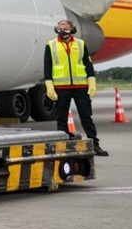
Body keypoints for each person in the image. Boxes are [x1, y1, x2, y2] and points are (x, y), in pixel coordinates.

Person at [44, 19, 109, 157]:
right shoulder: (51, 45)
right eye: (60, 28)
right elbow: (47, 67)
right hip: (61, 87)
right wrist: (49, 86)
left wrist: (91, 81)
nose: (62, 30)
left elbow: (88, 64)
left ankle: (94, 144)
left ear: (72, 29)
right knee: (61, 118)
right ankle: (62, 145)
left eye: (65, 28)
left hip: (81, 86)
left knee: (86, 117)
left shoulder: (80, 44)